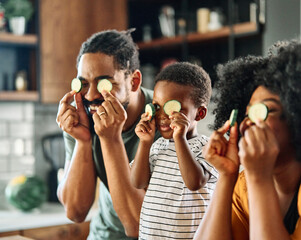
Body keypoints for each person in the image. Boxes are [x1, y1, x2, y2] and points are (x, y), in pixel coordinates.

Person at [56, 29, 160, 239]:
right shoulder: (80, 116)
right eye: (84, 83)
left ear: (134, 81)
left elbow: (139, 226)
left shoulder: (163, 121)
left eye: (105, 83)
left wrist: (111, 139)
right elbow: (75, 212)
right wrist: (83, 141)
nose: (92, 95)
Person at [194, 39, 301, 240]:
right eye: (247, 113)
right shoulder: (243, 186)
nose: (248, 123)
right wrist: (227, 175)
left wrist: (259, 179)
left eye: (265, 111)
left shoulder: (255, 179)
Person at [130, 62, 219, 239]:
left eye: (173, 108)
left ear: (200, 113)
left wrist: (180, 138)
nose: (162, 116)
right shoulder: (157, 146)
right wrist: (145, 143)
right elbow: (137, 182)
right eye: (157, 106)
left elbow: (194, 182)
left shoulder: (210, 148)